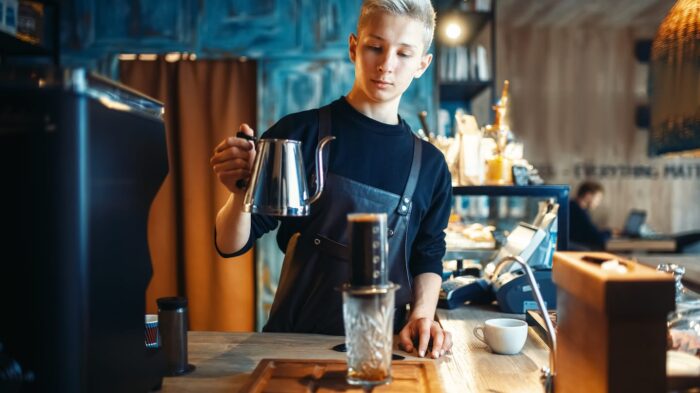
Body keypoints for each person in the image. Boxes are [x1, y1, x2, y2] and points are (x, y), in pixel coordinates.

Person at [209, 0, 452, 359]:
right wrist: (239, 195)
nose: (386, 65)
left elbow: (428, 255)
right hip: (295, 344)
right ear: (354, 47)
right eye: (375, 47)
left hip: (385, 352)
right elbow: (230, 245)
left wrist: (422, 316)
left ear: (422, 64)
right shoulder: (298, 135)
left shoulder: (431, 165)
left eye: (404, 54)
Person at [569, 180, 612, 250]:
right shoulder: (578, 212)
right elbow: (596, 238)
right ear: (588, 195)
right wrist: (610, 232)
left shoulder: (573, 206)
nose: (598, 203)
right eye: (598, 199)